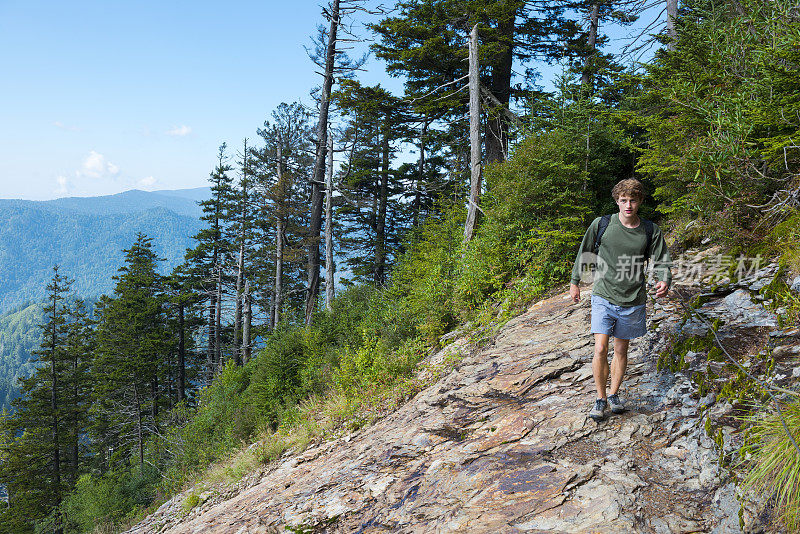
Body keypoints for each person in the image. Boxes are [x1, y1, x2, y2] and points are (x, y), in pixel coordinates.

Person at [569, 179, 672, 421]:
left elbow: (662, 258)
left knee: (621, 349)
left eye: (633, 200)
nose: (628, 205)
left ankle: (614, 394)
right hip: (603, 294)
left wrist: (664, 278)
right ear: (617, 201)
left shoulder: (649, 230)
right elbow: (585, 254)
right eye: (623, 200)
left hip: (633, 298)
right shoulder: (602, 224)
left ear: (640, 202)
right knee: (601, 347)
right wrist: (575, 282)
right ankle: (600, 398)